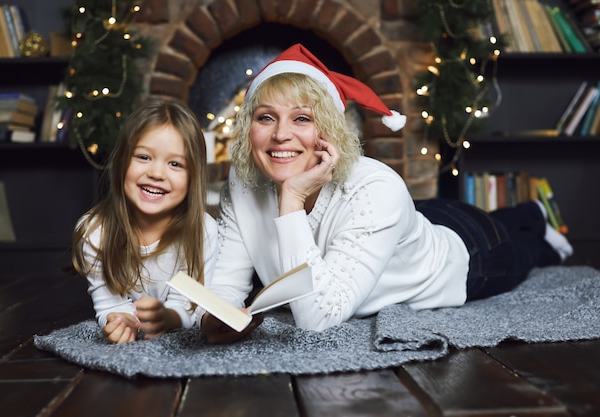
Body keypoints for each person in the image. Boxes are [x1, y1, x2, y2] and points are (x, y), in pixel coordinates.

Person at [201, 43, 573, 343]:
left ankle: (535, 220)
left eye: (302, 118)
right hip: (403, 223)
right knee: (421, 216)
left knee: (524, 250)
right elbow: (228, 285)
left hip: (466, 255)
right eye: (266, 117)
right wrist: (214, 317)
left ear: (329, 130)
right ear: (249, 127)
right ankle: (529, 214)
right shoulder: (243, 180)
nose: (281, 134)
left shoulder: (377, 189)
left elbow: (317, 319)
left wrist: (292, 198)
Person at [72, 99, 218, 344]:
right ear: (120, 163)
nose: (156, 174)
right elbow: (109, 305)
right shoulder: (95, 231)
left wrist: (168, 317)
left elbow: (189, 306)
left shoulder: (202, 230)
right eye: (143, 157)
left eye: (175, 164)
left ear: (194, 177)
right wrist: (123, 321)